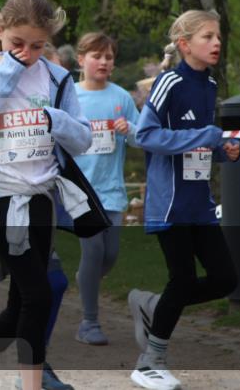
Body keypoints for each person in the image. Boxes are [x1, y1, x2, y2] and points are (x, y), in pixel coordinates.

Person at [0, 0, 93, 390]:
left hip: (42, 199)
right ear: (0, 30)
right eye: (17, 44)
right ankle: (29, 384)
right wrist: (4, 79)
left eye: (37, 45)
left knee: (21, 302)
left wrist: (54, 119)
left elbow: (82, 139)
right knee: (39, 295)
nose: (27, 53)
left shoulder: (58, 78)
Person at [128, 10, 240, 390]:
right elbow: (145, 135)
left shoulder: (208, 86)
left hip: (200, 203)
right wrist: (203, 136)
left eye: (218, 36)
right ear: (184, 44)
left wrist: (224, 150)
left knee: (226, 278)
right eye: (208, 36)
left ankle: (152, 306)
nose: (216, 43)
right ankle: (149, 362)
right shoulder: (169, 82)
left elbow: (201, 140)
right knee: (183, 278)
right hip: (170, 203)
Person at [72, 32, 139, 346]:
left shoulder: (121, 98)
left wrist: (130, 129)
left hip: (111, 189)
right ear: (81, 59)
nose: (103, 62)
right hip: (80, 190)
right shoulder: (69, 96)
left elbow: (142, 136)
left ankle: (85, 281)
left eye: (108, 57)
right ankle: (89, 322)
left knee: (109, 255)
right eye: (96, 56)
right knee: (94, 250)